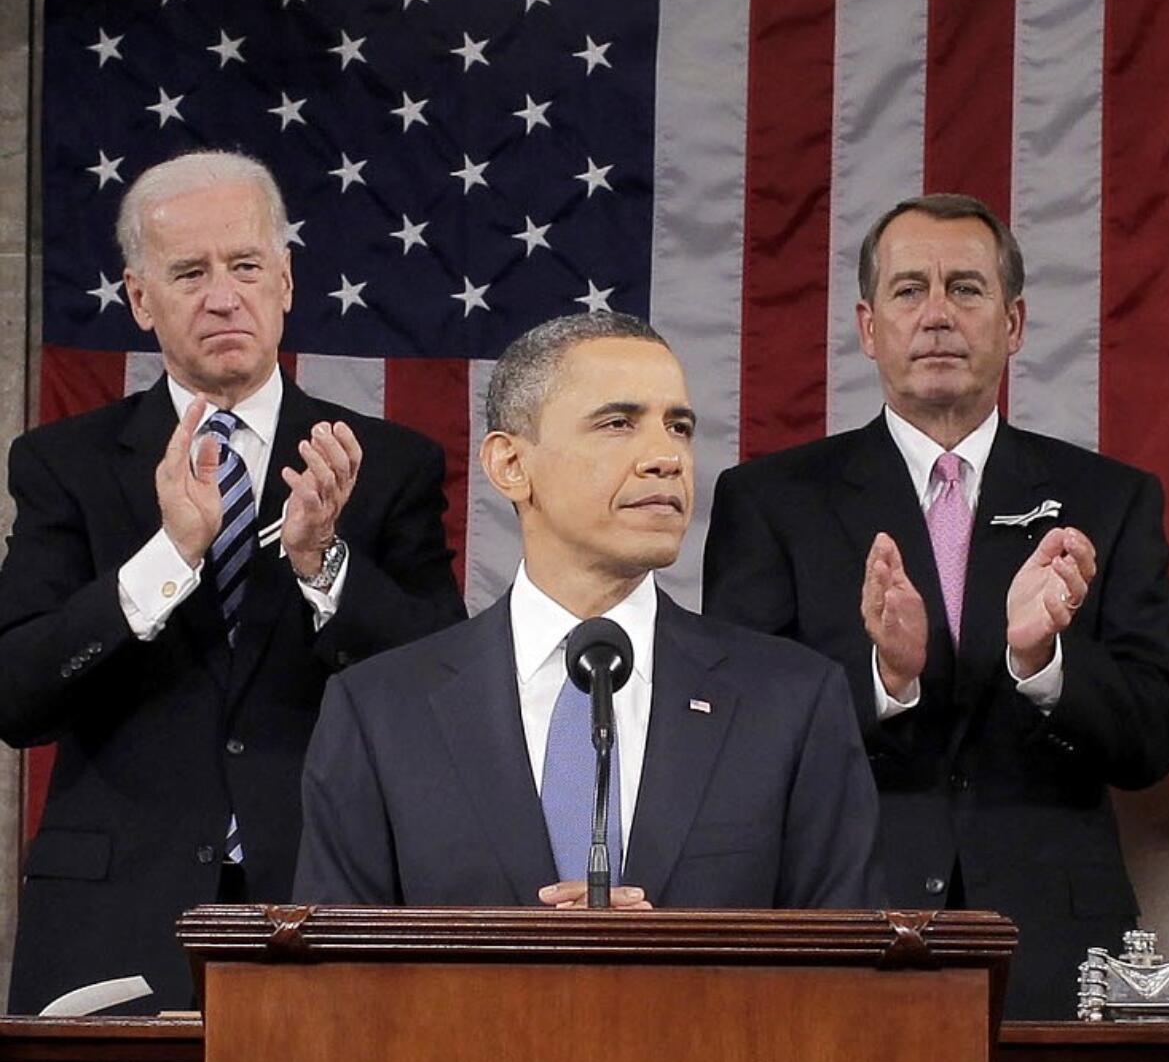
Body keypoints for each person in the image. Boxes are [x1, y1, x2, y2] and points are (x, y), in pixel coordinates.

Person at [0, 150, 466, 1013]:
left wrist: (325, 564)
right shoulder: (65, 466)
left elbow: (444, 692)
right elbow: (16, 696)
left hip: (324, 902)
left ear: (285, 283)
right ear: (141, 299)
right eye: (190, 272)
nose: (224, 295)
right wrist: (167, 560)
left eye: (246, 266)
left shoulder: (383, 466)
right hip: (115, 914)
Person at [703, 193, 1169, 1018]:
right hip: (845, 924)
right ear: (867, 328)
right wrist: (884, 677)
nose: (936, 315)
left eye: (965, 288)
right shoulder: (772, 501)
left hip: (1054, 947)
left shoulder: (1108, 499)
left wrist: (1045, 664)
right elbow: (736, 738)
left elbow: (1155, 737)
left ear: (1015, 323)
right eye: (908, 291)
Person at [294, 313, 882, 913]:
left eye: (678, 427)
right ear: (510, 465)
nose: (666, 458)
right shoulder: (379, 714)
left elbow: (845, 978)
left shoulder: (793, 702)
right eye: (618, 424)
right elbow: (334, 985)